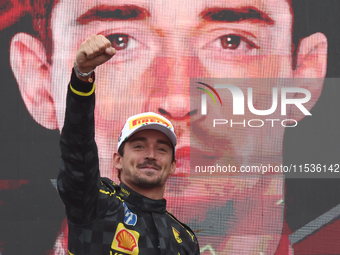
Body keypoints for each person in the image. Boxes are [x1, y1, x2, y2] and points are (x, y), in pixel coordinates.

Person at [8, 0, 328, 254]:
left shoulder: (179, 238)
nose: (177, 99)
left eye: (232, 41)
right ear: (39, 82)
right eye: (118, 41)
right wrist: (81, 82)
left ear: (304, 78)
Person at [57, 34, 199, 254]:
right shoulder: (96, 204)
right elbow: (77, 149)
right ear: (118, 160)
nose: (151, 154)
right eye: (139, 146)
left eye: (161, 149)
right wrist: (82, 78)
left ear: (173, 165)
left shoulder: (185, 239)